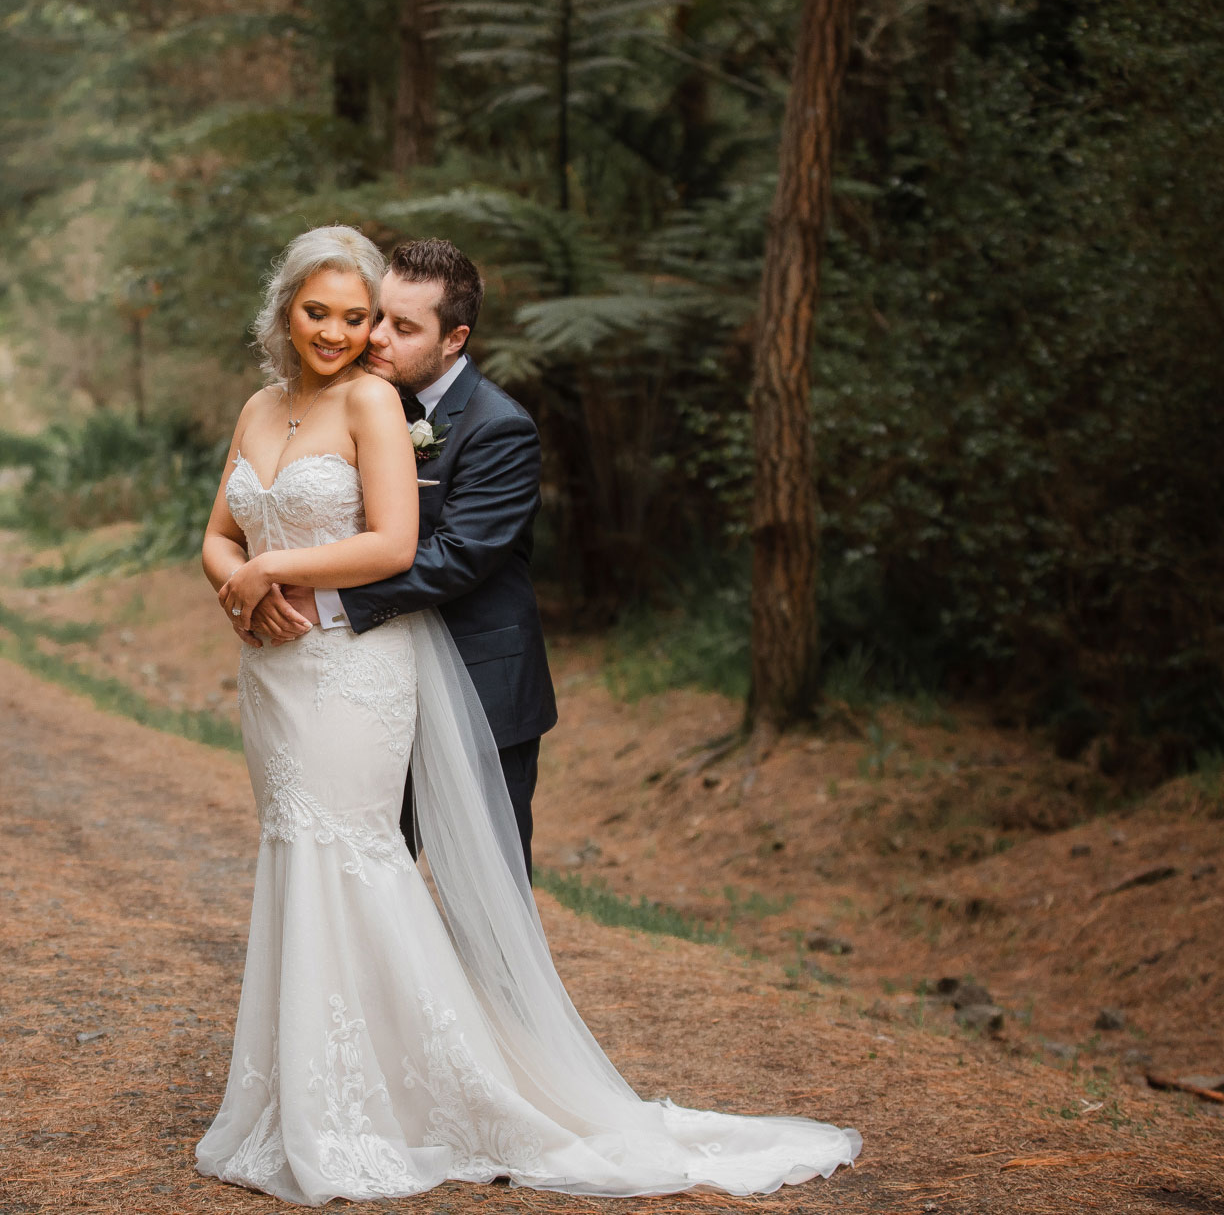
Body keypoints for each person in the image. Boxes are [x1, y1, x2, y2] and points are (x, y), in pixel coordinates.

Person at [195, 225, 861, 1205]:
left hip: (439, 674)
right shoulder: (276, 404)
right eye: (335, 315)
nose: (362, 337)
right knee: (319, 863)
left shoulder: (478, 421)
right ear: (284, 310)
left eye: (379, 321)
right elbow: (221, 529)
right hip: (291, 675)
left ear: (449, 339)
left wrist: (279, 577)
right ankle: (337, 1082)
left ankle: (487, 1085)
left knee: (457, 893)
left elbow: (433, 551)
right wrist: (236, 589)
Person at [240, 236, 553, 879]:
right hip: (380, 685)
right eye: (377, 316)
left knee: (486, 887)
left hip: (479, 682)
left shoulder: (500, 427)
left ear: (454, 339)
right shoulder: (372, 401)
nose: (377, 336)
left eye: (403, 326)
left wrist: (324, 597)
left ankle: (493, 987)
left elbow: (458, 556)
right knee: (378, 872)